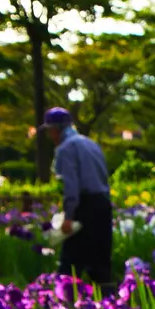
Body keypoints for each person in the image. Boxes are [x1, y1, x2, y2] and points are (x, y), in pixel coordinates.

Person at [42, 106, 113, 284]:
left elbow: (71, 185)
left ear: (56, 129)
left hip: (85, 205)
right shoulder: (90, 143)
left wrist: (69, 216)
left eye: (50, 131)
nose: (50, 136)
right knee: (101, 261)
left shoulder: (66, 149)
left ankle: (62, 305)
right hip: (103, 204)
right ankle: (111, 305)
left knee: (70, 263)